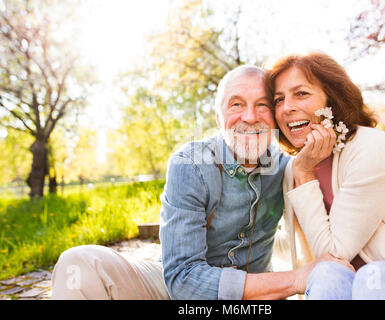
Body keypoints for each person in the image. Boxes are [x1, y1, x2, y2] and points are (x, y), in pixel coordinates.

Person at [50, 65, 354, 300]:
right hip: (176, 290)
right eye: (236, 104)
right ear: (218, 117)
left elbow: (325, 236)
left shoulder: (287, 169)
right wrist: (297, 279)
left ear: (275, 115)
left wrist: (306, 168)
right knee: (78, 263)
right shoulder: (191, 164)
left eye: (262, 105)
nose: (250, 117)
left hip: (256, 296)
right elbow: (182, 278)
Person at [265, 51, 385, 299]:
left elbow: (332, 254)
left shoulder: (370, 147)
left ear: (333, 99)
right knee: (328, 276)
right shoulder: (294, 168)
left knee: (373, 276)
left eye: (301, 93)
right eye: (278, 100)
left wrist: (305, 174)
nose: (287, 107)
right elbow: (299, 244)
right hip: (359, 289)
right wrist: (226, 236)